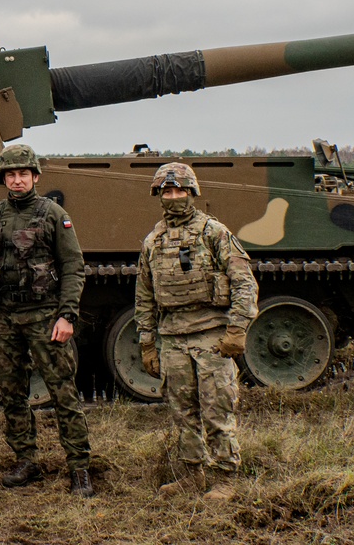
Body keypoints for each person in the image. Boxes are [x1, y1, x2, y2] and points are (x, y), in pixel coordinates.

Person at [0, 144, 94, 497]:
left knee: (63, 394)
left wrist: (67, 315)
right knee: (12, 394)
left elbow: (73, 267)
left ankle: (79, 467)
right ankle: (25, 460)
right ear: (3, 179)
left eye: (23, 173)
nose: (17, 180)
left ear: (36, 176)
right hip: (3, 318)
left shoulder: (54, 214)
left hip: (44, 315)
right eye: (10, 174)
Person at [134, 162, 258, 500]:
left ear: (192, 193)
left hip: (211, 335)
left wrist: (237, 329)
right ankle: (192, 474)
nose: (173, 197)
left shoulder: (213, 233)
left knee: (217, 407)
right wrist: (147, 344)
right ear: (159, 195)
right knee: (182, 410)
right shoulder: (154, 241)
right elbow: (144, 297)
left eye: (180, 191)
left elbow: (244, 283)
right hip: (173, 337)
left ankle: (225, 476)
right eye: (167, 191)